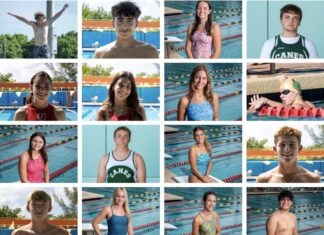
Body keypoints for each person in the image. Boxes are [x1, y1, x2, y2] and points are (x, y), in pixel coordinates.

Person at [94, 1, 158, 59]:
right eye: (120, 20)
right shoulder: (100, 54)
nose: (124, 26)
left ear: (136, 24)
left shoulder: (150, 52)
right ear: (113, 23)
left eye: (130, 21)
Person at [256, 126, 320, 183]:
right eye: (282, 145)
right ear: (275, 149)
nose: (287, 149)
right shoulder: (263, 180)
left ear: (299, 148)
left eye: (292, 145)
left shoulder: (313, 179)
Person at [249, 76, 315, 111]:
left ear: (295, 92)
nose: (281, 96)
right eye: (281, 93)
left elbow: (286, 108)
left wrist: (266, 101)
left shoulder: (297, 106)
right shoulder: (309, 104)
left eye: (285, 92)